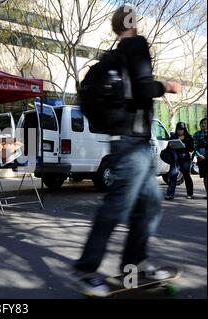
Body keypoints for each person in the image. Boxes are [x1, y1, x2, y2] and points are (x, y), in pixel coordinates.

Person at [71, 5, 181, 297]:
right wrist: (167, 86)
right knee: (118, 205)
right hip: (132, 145)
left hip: (127, 142)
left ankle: (135, 265)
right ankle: (85, 270)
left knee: (149, 205)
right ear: (133, 23)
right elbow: (145, 88)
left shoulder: (115, 55)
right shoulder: (137, 44)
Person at [165, 122, 194, 200]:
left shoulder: (188, 137)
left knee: (186, 176)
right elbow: (168, 148)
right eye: (178, 129)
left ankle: (190, 193)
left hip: (185, 160)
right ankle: (170, 194)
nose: (180, 131)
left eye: (181, 129)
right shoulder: (173, 136)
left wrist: (184, 144)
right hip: (175, 160)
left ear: (184, 130)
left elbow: (191, 148)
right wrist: (170, 146)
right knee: (173, 176)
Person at [193, 118, 207, 197]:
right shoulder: (196, 134)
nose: (203, 124)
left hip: (205, 156)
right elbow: (194, 147)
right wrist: (199, 155)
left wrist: (205, 156)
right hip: (200, 158)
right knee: (204, 176)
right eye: (202, 123)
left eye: (205, 123)